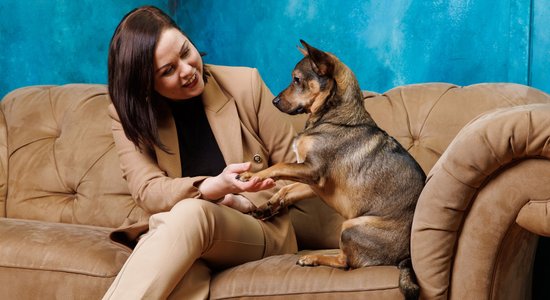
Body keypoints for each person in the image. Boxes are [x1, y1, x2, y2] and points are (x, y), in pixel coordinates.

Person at [102, 5, 298, 299]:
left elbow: (299, 172)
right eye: (168, 70)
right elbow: (147, 189)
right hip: (188, 239)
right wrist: (208, 187)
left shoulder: (246, 85)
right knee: (181, 279)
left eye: (185, 52)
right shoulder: (128, 115)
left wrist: (240, 201)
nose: (187, 70)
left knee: (193, 213)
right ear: (146, 85)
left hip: (260, 228)